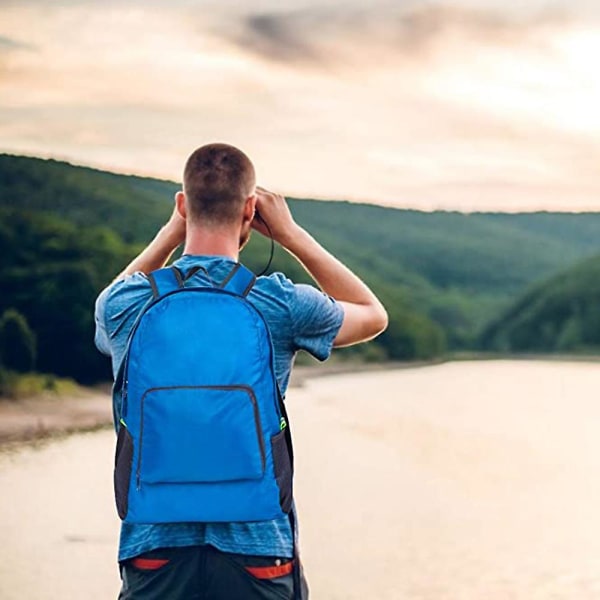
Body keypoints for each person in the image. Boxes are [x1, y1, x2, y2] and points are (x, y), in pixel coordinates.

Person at [94, 143, 388, 600]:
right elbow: (373, 314)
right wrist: (290, 234)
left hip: (155, 547)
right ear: (252, 210)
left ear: (181, 205)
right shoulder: (279, 304)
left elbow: (103, 306)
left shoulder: (127, 304)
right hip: (257, 552)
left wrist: (172, 233)